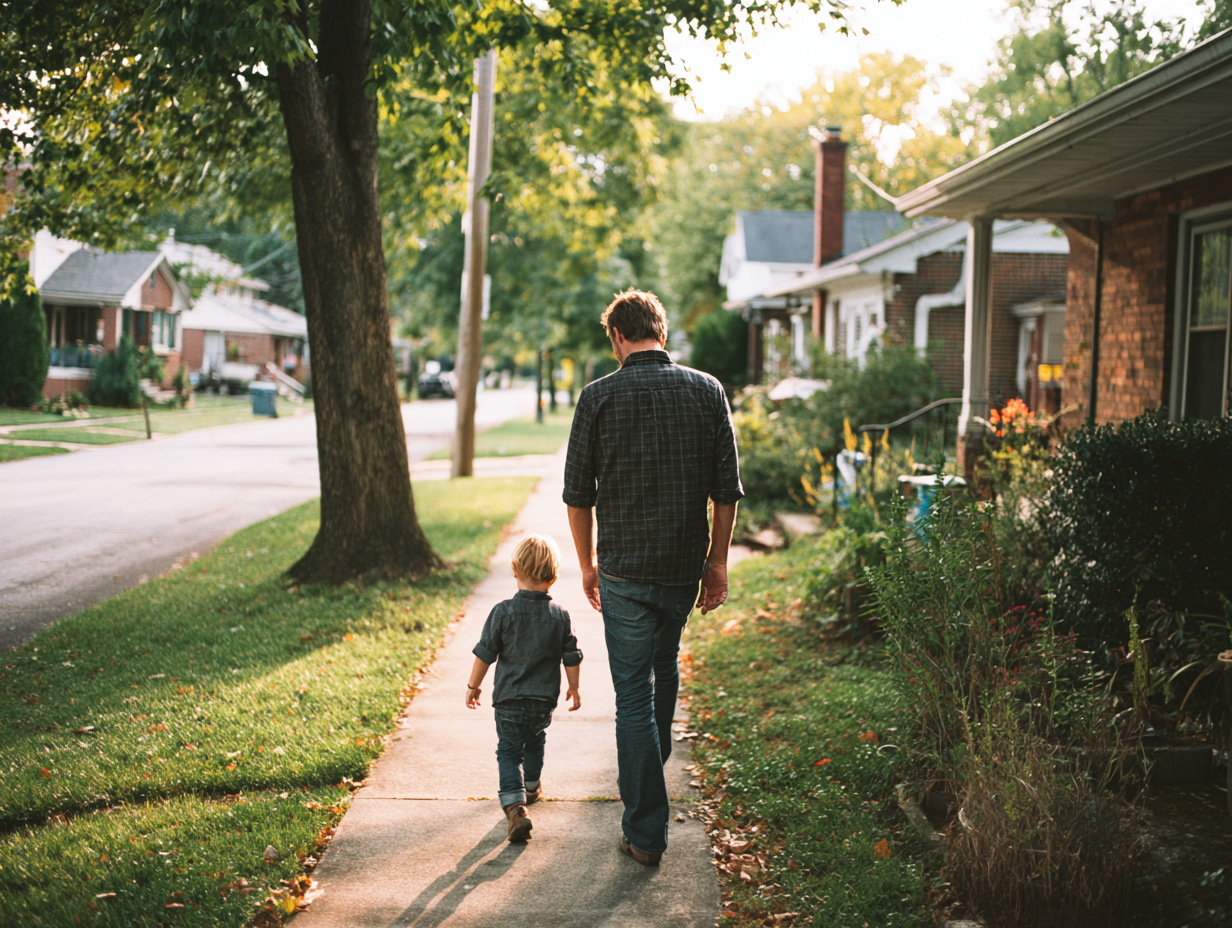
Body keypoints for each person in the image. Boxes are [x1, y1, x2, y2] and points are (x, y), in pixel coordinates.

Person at [562, 290, 742, 867]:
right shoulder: (707, 390)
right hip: (680, 571)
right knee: (664, 671)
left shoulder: (597, 398)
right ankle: (648, 781)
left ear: (618, 337)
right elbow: (726, 492)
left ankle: (644, 829)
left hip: (623, 572)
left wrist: (587, 565)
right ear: (661, 332)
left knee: (633, 696)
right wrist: (717, 563)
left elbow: (576, 496)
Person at [466, 533, 583, 843]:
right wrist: (574, 688)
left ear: (515, 569)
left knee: (508, 751)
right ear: (554, 576)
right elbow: (571, 656)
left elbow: (485, 653)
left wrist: (473, 686)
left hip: (508, 700)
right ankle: (531, 787)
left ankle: (516, 808)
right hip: (544, 701)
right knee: (535, 741)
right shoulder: (560, 615)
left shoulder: (503, 612)